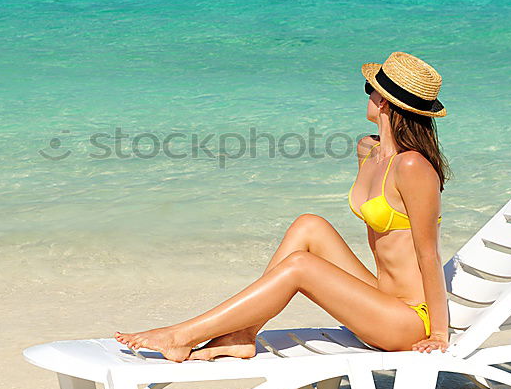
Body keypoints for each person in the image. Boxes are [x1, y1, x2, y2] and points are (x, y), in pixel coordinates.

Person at [115, 51, 451, 361]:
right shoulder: (369, 151)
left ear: (385, 105)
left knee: (301, 266)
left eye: (369, 89)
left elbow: (428, 254)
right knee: (309, 225)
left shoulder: (412, 167)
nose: (367, 95)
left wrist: (437, 333)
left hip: (408, 321)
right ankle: (244, 333)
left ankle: (182, 335)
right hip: (381, 299)